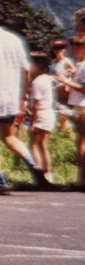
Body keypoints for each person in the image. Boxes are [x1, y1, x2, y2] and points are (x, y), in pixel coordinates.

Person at [0, 2, 50, 194]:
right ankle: (33, 165)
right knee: (9, 136)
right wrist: (23, 96)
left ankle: (1, 181)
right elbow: (26, 70)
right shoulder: (15, 40)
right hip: (11, 97)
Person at [55, 35, 85, 188]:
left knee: (82, 142)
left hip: (82, 106)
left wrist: (65, 81)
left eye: (76, 46)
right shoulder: (80, 65)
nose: (73, 50)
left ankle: (82, 181)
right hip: (79, 105)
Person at [29, 51, 57, 185]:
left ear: (38, 65)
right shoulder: (47, 78)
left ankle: (39, 175)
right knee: (44, 146)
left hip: (41, 115)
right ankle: (48, 173)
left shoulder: (36, 82)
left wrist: (33, 122)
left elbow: (37, 105)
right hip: (49, 113)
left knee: (34, 145)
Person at [51, 39, 76, 131]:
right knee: (58, 111)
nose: (58, 50)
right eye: (56, 48)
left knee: (64, 112)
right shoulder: (53, 62)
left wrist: (70, 72)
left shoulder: (66, 61)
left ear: (64, 50)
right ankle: (63, 131)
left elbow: (74, 70)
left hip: (63, 90)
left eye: (61, 48)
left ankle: (67, 130)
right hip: (54, 89)